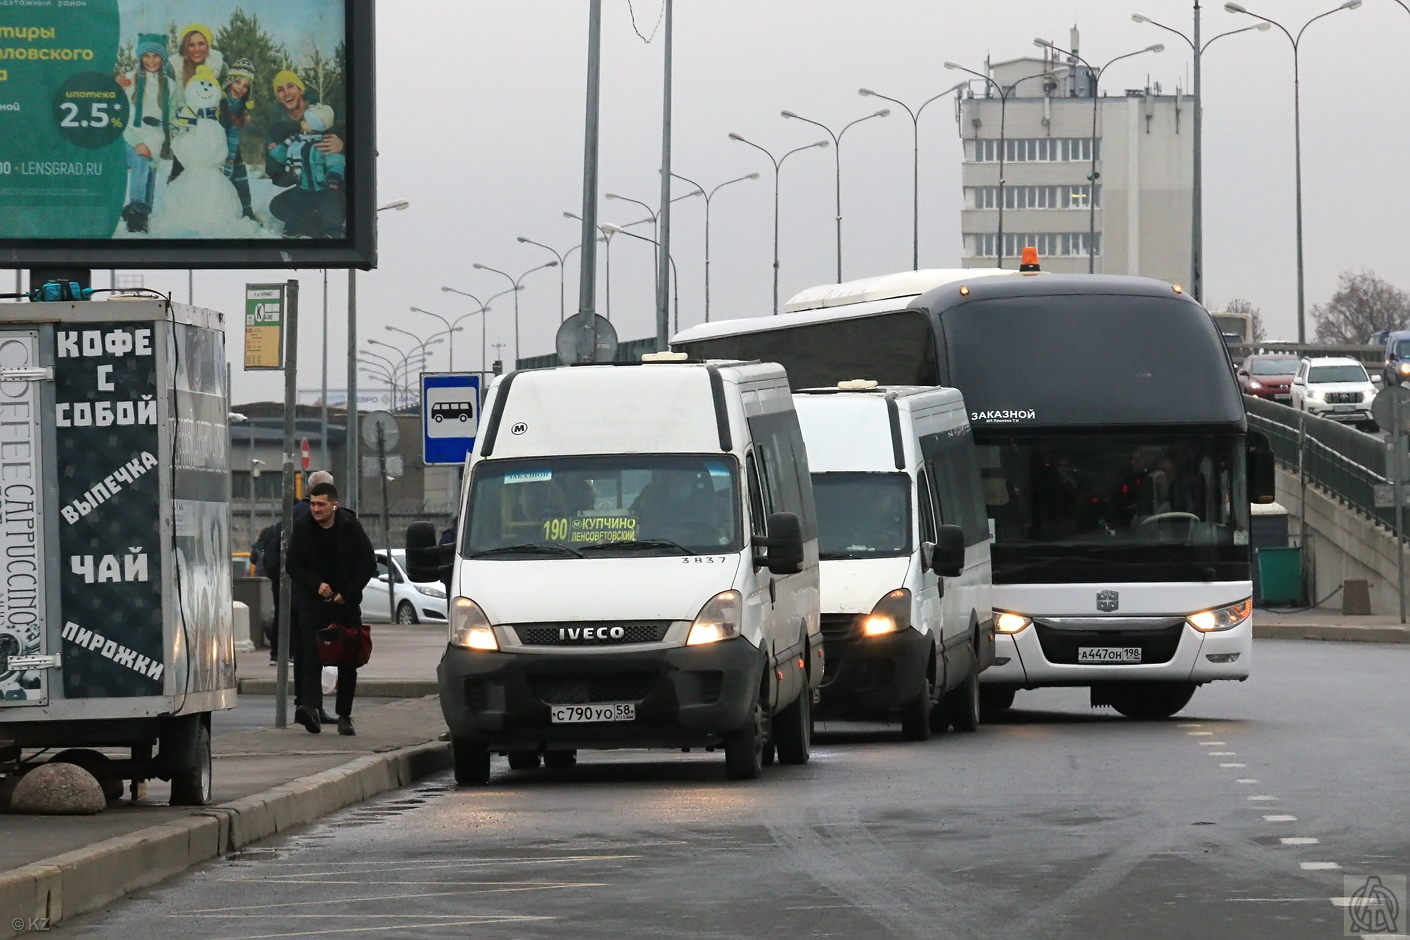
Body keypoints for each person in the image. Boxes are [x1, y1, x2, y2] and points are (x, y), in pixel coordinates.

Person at [284, 481, 375, 736]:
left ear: (334, 504)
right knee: (310, 658)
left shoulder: (350, 527)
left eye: (321, 504)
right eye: (312, 503)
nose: (315, 509)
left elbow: (367, 563)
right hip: (314, 603)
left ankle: (345, 715)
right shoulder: (303, 528)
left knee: (348, 660)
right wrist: (316, 585)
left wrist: (346, 592)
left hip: (345, 604)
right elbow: (293, 565)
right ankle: (311, 709)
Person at [265, 71, 346, 238]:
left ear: (300, 89)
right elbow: (275, 169)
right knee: (281, 205)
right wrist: (289, 167)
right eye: (280, 89)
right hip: (305, 187)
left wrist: (343, 146)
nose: (286, 92)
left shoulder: (325, 113)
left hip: (332, 186)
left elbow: (348, 154)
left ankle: (332, 229)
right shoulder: (279, 128)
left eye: (290, 86)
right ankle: (304, 228)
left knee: (332, 202)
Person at [119, 34, 173, 234]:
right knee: (141, 161)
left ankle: (144, 212)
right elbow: (122, 114)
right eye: (146, 56)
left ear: (163, 58)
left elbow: (172, 114)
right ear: (140, 57)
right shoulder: (129, 79)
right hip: (128, 136)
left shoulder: (169, 85)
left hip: (154, 138)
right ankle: (135, 211)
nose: (151, 61)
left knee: (150, 169)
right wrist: (136, 142)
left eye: (156, 56)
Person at [220, 58, 257, 220]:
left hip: (231, 144)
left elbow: (235, 133)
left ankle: (246, 209)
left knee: (239, 171)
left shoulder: (241, 107)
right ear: (230, 81)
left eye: (245, 86)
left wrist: (230, 158)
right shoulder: (219, 99)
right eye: (237, 83)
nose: (240, 89)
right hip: (215, 142)